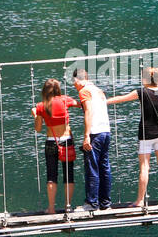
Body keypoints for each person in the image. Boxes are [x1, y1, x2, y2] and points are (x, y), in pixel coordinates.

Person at [109, 67, 158, 206]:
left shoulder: (141, 92)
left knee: (144, 168)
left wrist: (104, 101)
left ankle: (140, 200)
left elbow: (121, 99)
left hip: (146, 134)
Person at [32, 78, 79, 213]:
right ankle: (67, 206)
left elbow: (38, 128)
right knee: (68, 175)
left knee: (51, 176)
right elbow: (79, 104)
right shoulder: (65, 100)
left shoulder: (41, 106)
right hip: (66, 140)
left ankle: (51, 208)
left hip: (51, 142)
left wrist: (35, 114)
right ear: (58, 89)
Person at [72, 67, 112, 210]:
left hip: (95, 133)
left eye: (74, 82)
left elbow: (88, 111)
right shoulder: (98, 90)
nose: (74, 85)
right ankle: (105, 203)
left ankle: (92, 203)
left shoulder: (84, 91)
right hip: (106, 131)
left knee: (92, 168)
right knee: (104, 167)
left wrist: (86, 136)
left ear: (78, 80)